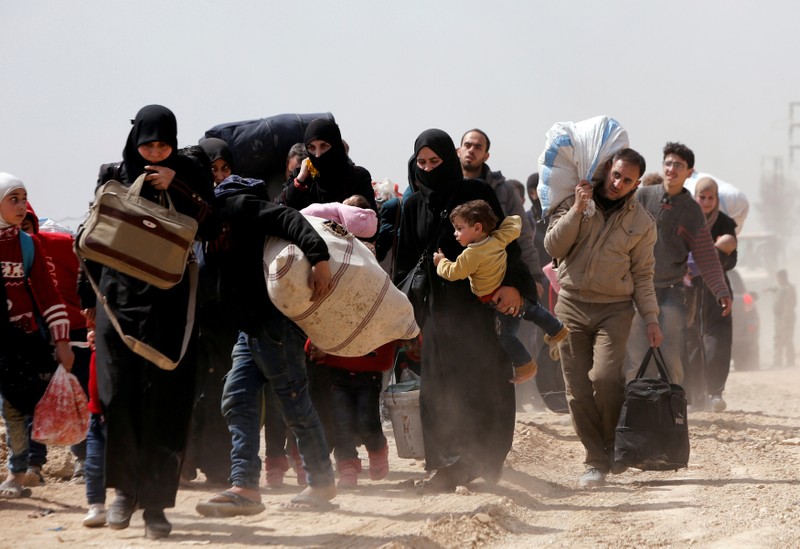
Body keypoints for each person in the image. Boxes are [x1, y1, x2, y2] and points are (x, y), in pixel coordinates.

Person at [88, 105, 216, 539]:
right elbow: (95, 237)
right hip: (118, 304)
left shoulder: (191, 173)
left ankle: (157, 506)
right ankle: (124, 491)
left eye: (164, 145)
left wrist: (176, 185)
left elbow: (213, 227)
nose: (156, 152)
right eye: (149, 144)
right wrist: (88, 304)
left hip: (169, 306)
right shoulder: (113, 173)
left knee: (166, 403)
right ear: (135, 141)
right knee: (119, 397)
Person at [394, 129, 537, 491]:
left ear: (449, 159)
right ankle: (451, 465)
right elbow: (404, 265)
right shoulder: (412, 205)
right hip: (437, 315)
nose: (427, 169)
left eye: (435, 162)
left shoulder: (477, 194)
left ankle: (484, 460)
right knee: (442, 389)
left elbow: (507, 244)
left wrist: (515, 286)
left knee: (484, 383)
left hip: (480, 306)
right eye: (421, 163)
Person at [195, 175, 337, 517]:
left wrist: (319, 258)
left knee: (293, 401)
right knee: (237, 396)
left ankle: (320, 481)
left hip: (273, 325)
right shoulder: (201, 224)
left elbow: (288, 217)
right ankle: (245, 486)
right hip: (249, 329)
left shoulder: (234, 206)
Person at [544, 148, 662, 488]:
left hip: (615, 308)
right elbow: (553, 247)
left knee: (607, 378)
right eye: (615, 175)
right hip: (571, 306)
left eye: (627, 180)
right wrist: (578, 210)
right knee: (577, 388)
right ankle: (594, 459)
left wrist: (652, 319)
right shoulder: (574, 202)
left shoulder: (642, 224)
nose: (618, 183)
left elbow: (643, 275)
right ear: (608, 168)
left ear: (635, 183)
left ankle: (613, 446)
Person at [626, 142, 732, 385]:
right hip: (639, 289)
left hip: (673, 291)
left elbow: (706, 254)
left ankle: (671, 410)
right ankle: (634, 408)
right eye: (668, 163)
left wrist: (721, 290)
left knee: (671, 354)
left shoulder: (692, 211)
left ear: (689, 172)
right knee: (635, 352)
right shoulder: (642, 196)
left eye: (678, 165)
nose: (671, 169)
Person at [432, 200, 567, 382]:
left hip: (498, 301)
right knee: (533, 311)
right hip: (512, 293)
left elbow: (453, 272)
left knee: (506, 336)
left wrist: (441, 262)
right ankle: (559, 331)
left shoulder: (471, 254)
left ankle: (525, 366)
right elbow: (515, 222)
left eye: (459, 228)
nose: (455, 234)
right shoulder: (498, 239)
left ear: (477, 228)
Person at [0, 173, 75, 499]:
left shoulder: (28, 245)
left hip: (18, 341)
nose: (20, 206)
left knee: (15, 409)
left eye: (22, 198)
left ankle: (17, 472)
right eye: (12, 199)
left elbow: (48, 296)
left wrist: (61, 341)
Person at [21, 203, 91, 486]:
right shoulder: (9, 252)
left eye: (25, 228)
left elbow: (91, 276)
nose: (19, 235)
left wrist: (93, 318)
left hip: (75, 329)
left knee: (80, 396)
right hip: (35, 332)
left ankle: (84, 460)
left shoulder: (62, 245)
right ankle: (32, 464)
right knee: (32, 401)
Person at [458, 129, 543, 293]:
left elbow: (522, 236)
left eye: (478, 147)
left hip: (498, 280)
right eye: (467, 145)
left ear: (486, 155)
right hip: (456, 278)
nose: (471, 150)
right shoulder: (447, 188)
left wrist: (534, 276)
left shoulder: (504, 190)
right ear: (458, 150)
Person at [306, 340, 394, 488]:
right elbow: (316, 336)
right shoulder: (335, 316)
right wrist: (314, 345)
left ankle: (377, 450)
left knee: (366, 421)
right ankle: (347, 467)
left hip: (370, 372)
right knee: (341, 425)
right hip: (338, 375)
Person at [685, 177, 738, 412]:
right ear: (695, 197)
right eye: (702, 196)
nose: (706, 202)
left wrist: (713, 253)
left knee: (718, 338)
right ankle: (694, 394)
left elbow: (733, 258)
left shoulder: (725, 222)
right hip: (689, 288)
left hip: (716, 286)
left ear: (716, 200)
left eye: (711, 198)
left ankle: (715, 392)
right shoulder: (686, 221)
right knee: (690, 337)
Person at [276, 118, 377, 212]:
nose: (318, 154)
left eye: (323, 146)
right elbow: (280, 209)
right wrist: (300, 180)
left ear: (336, 146)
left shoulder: (358, 177)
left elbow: (373, 223)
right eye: (312, 148)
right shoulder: (303, 177)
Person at [773, 269, 797, 367]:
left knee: (784, 340)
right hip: (782, 318)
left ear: (782, 278)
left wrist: (784, 319)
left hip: (785, 318)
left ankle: (785, 361)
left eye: (778, 278)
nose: (777, 280)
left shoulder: (787, 289)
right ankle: (781, 361)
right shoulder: (783, 288)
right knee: (781, 339)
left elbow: (788, 305)